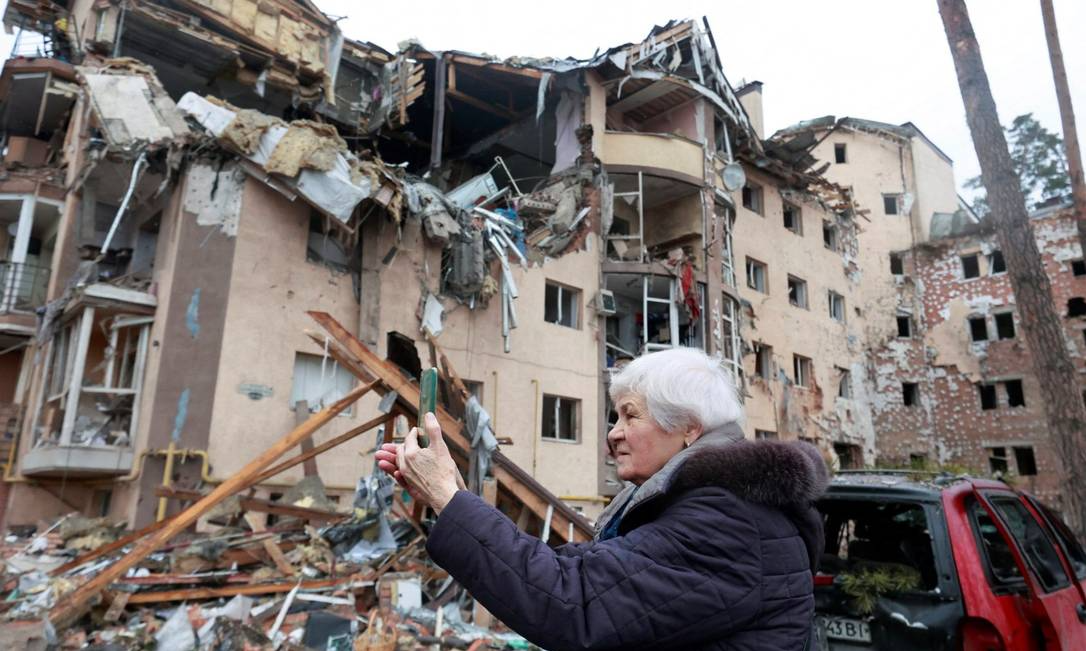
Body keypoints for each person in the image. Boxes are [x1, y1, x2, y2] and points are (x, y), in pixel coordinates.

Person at [375, 347, 827, 650]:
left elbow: (574, 601)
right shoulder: (713, 505)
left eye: (630, 415)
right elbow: (581, 573)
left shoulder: (724, 520)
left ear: (689, 428)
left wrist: (450, 499)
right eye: (615, 416)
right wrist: (453, 497)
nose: (613, 434)